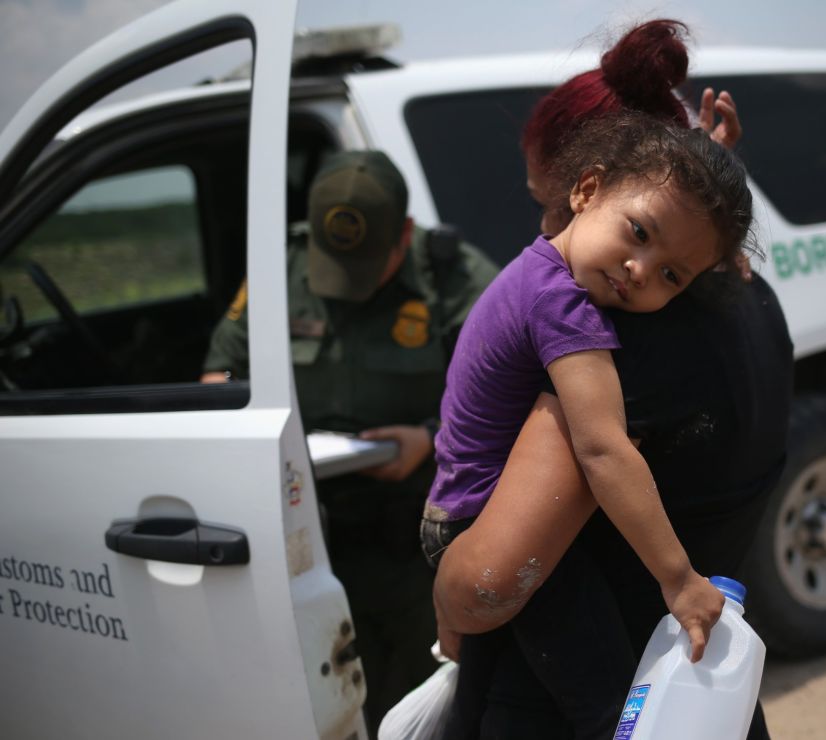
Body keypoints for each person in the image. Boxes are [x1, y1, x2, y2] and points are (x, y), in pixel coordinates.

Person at [426, 19, 791, 739]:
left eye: (671, 270)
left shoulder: (600, 320)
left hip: (562, 624)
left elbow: (499, 573)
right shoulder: (746, 298)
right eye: (639, 237)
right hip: (688, 671)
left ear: (586, 185)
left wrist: (450, 610)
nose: (639, 275)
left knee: (602, 714)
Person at [201, 149, 499, 729]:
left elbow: (512, 404)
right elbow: (218, 376)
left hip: (418, 555)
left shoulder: (456, 279)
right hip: (303, 544)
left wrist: (428, 439)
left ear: (404, 236)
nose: (348, 289)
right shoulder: (281, 268)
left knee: (420, 717)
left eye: (368, 266)